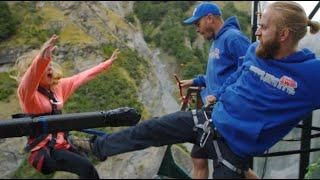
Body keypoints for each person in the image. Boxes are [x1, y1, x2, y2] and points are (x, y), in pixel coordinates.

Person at [74, 1, 320, 179]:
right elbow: (238, 74)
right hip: (210, 120)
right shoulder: (256, 49)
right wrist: (218, 95)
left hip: (234, 148)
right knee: (151, 129)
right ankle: (97, 147)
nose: (256, 31)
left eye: (264, 27)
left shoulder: (311, 76)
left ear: (284, 34)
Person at [13, 34, 120, 179]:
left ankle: (89, 146)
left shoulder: (58, 87)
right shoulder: (28, 95)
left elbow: (81, 77)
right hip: (45, 152)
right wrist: (41, 60)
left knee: (89, 167)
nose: (49, 68)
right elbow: (30, 78)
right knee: (86, 168)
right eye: (45, 67)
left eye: (50, 65)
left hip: (62, 143)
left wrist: (106, 64)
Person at [179, 2, 251, 179]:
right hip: (211, 111)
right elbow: (218, 75)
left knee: (231, 165)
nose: (197, 29)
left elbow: (247, 72)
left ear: (210, 18)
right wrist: (194, 81)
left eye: (198, 24)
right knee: (198, 157)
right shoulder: (216, 41)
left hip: (226, 112)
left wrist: (220, 95)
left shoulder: (234, 38)